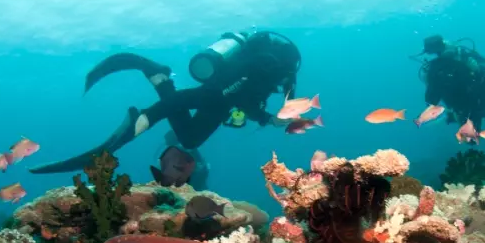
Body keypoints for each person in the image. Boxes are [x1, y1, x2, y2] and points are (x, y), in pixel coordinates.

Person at [30, 30, 301, 176]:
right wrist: (267, 118)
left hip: (218, 96)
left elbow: (244, 94)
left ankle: (159, 79)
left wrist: (262, 116)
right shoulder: (273, 68)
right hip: (219, 96)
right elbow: (245, 93)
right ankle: (141, 117)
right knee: (173, 114)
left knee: (190, 137)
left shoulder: (265, 62)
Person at [416, 34, 485, 131]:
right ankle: (453, 116)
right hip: (466, 110)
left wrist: (479, 68)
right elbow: (431, 101)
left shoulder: (465, 55)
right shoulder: (434, 70)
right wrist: (430, 82)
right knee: (471, 139)